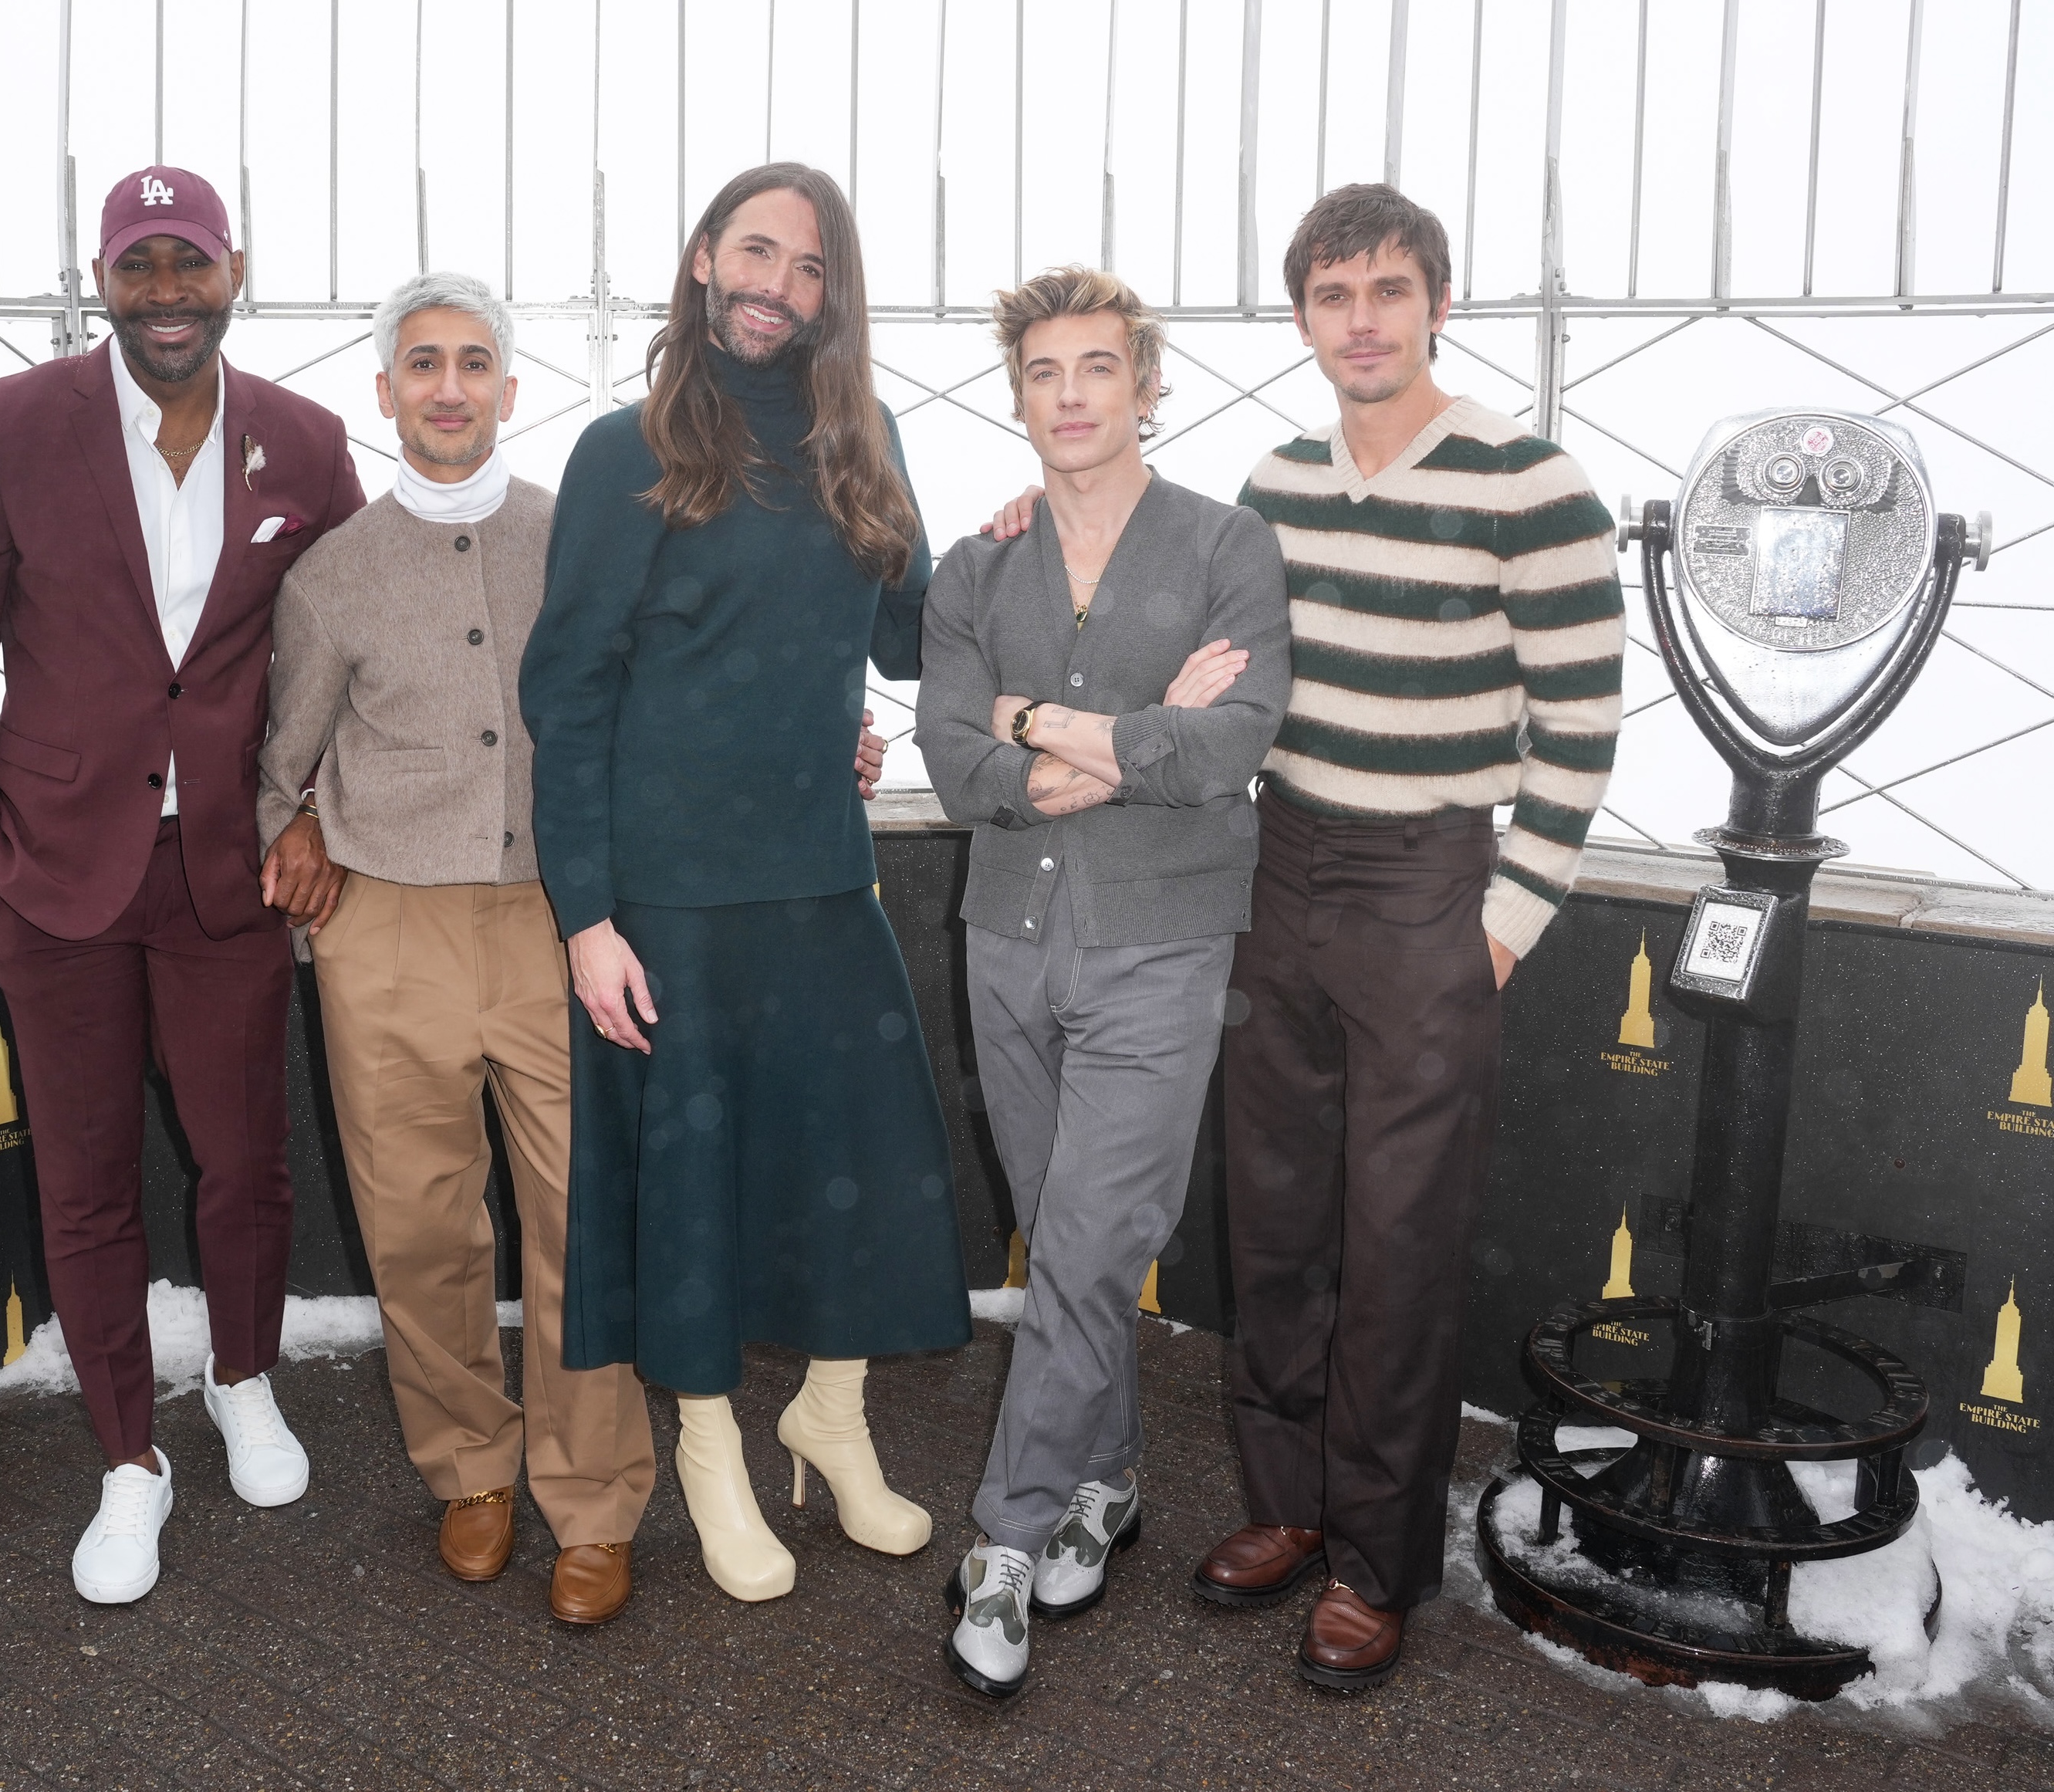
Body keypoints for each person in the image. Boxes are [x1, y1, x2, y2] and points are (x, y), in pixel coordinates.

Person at [983, 185, 1623, 1688]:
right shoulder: (1269, 483)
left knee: (1395, 1243)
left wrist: (1503, 928)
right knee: (1271, 1224)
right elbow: (1174, 630)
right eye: (1332, 295)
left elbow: (1580, 726)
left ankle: (1374, 1559)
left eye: (1386, 291)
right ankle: (1281, 1509)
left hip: (1428, 892)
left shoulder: (1528, 482)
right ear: (1301, 319)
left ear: (1434, 304)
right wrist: (1018, 522)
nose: (1360, 319)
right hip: (1274, 869)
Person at [0, 165, 364, 1604]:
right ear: (101, 278)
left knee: (245, 1161)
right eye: (138, 264)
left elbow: (339, 657)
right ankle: (128, 1456)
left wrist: (316, 819)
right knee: (87, 1177)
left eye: (191, 262)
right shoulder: (10, 425)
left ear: (236, 269)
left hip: (229, 872)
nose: (166, 290)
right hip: (50, 877)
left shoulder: (304, 440)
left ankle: (242, 1379)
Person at [519, 163, 971, 1604]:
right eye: (756, 249)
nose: (778, 282)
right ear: (706, 255)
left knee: (865, 1171)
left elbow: (909, 634)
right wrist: (588, 917)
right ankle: (710, 1447)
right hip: (671, 904)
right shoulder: (628, 446)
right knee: (698, 1189)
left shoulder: (865, 434)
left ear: (835, 293)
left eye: (811, 264)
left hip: (821, 881)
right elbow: (569, 693)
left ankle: (827, 1413)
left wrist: (1027, 548)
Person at [252, 272, 660, 1624]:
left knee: (576, 1219)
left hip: (564, 920)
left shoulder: (579, 539)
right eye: (420, 362)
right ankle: (469, 1468)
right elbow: (280, 760)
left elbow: (655, 701)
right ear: (384, 392)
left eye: (473, 362)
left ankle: (593, 1497)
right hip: (387, 932)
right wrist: (297, 817)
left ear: (508, 388)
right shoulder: (330, 578)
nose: (447, 386)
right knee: (420, 1223)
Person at [918, 266, 1290, 1697]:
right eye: (1043, 373)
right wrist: (1126, 739)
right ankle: (1112, 1477)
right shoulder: (976, 567)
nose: (1070, 396)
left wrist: (1049, 730)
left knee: (1079, 1249)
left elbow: (1232, 742)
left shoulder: (1227, 544)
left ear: (1146, 381)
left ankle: (1006, 1542)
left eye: (1097, 368)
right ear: (1018, 394)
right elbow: (960, 765)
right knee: (1059, 1233)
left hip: (1162, 948)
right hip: (1008, 936)